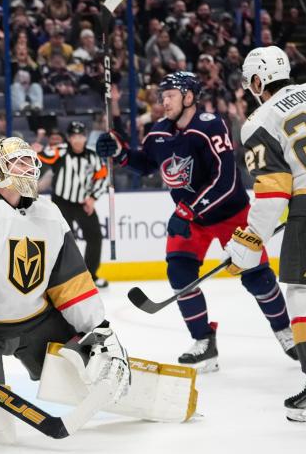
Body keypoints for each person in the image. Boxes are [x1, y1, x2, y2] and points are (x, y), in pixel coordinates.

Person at [96, 72, 294, 371]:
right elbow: (147, 164)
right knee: (179, 273)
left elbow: (226, 180)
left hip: (231, 215)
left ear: (189, 97)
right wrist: (121, 153)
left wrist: (186, 211)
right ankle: (204, 341)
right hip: (193, 219)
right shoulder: (158, 131)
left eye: (171, 95)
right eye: (162, 96)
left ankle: (285, 332)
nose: (164, 101)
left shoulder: (210, 125)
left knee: (257, 277)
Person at [0, 137, 130, 400]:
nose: (28, 167)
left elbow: (71, 281)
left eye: (30, 160)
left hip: (36, 323)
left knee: (86, 373)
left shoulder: (50, 214)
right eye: (18, 162)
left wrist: (98, 328)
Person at [226, 46, 306, 424]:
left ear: (256, 81)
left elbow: (274, 190)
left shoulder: (258, 120)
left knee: (304, 293)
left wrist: (250, 241)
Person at [35, 121, 109, 287]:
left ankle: (91, 276)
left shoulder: (93, 156)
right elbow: (42, 156)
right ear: (69, 138)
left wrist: (93, 198)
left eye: (81, 136)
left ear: (85, 137)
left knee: (95, 236)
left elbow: (103, 177)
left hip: (84, 203)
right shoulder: (60, 151)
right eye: (74, 136)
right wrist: (34, 151)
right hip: (62, 203)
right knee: (65, 240)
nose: (77, 140)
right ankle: (66, 278)